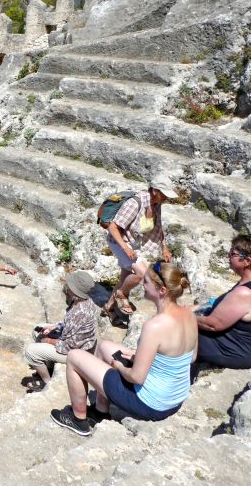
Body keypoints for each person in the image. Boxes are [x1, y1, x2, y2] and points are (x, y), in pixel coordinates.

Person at [51, 261, 197, 436]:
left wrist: (119, 366)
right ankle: (100, 411)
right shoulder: (190, 314)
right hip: (174, 397)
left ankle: (78, 420)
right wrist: (142, 358)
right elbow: (192, 357)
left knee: (74, 356)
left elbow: (136, 377)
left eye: (147, 282)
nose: (142, 284)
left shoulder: (155, 326)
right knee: (104, 346)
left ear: (162, 291)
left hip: (150, 404)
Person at [103, 175, 177, 318]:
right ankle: (120, 294)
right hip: (119, 242)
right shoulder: (135, 203)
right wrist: (126, 248)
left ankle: (108, 307)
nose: (167, 198)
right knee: (143, 276)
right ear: (155, 191)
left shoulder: (156, 204)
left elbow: (158, 226)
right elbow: (113, 228)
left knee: (125, 278)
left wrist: (164, 247)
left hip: (133, 243)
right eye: (165, 194)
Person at [24, 271, 98, 391]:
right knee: (38, 328)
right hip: (75, 342)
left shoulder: (78, 312)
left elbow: (69, 345)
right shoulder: (85, 301)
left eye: (70, 285)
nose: (67, 286)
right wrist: (55, 327)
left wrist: (47, 340)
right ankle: (47, 366)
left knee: (30, 351)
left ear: (75, 290)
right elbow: (70, 325)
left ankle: (46, 382)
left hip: (76, 352)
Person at [193, 235, 251, 369]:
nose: (228, 256)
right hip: (236, 344)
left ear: (247, 261)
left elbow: (213, 325)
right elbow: (218, 304)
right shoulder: (245, 284)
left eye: (233, 254)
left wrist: (186, 316)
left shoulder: (244, 292)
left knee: (176, 328)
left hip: (235, 351)